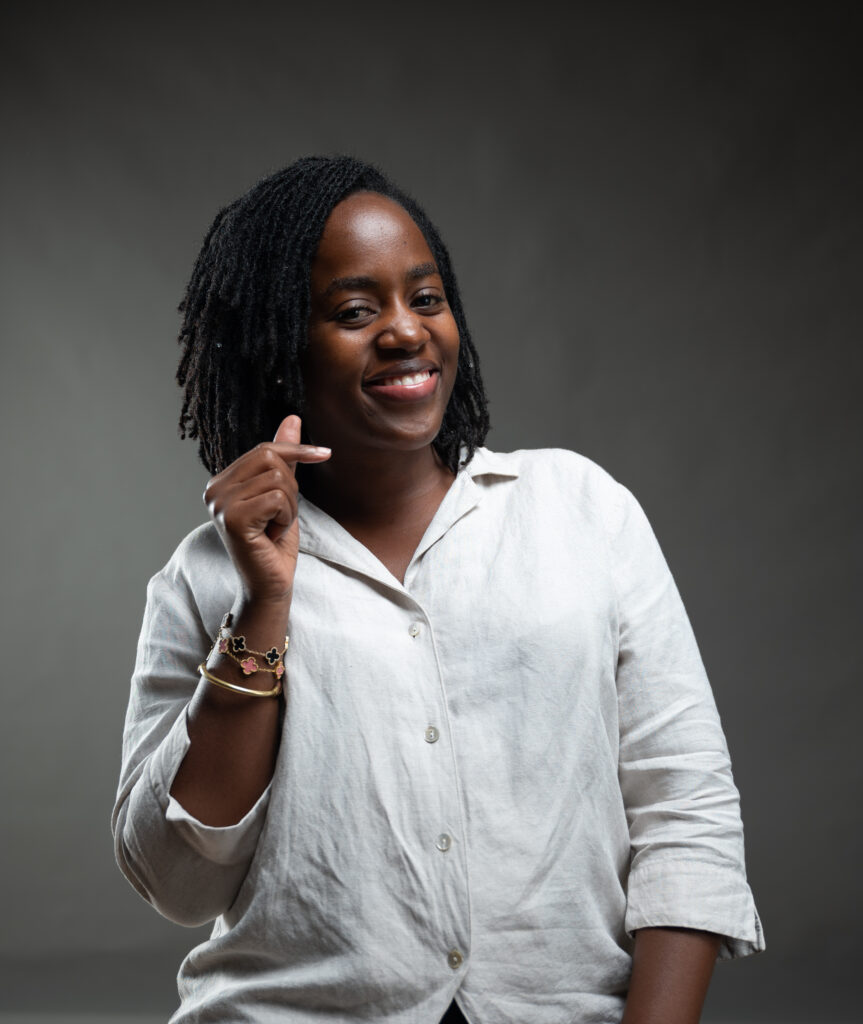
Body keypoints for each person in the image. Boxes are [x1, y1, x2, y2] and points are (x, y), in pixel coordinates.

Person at [112, 156, 764, 1024]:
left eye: (424, 299)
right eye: (353, 311)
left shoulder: (580, 509)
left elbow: (684, 808)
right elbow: (179, 880)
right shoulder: (206, 576)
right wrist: (262, 603)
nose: (405, 332)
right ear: (277, 345)